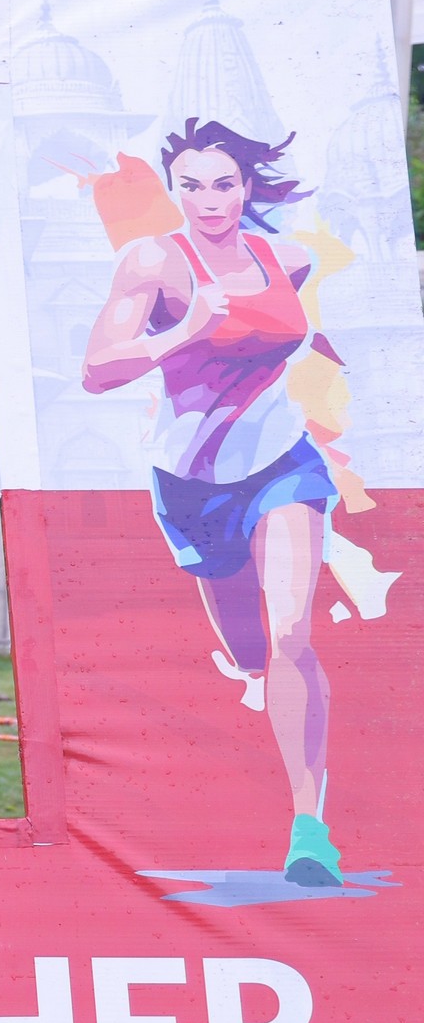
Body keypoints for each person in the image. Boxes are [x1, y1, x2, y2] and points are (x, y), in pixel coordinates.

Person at [82, 115, 341, 888]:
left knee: (292, 632)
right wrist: (186, 330)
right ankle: (252, 674)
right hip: (192, 480)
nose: (209, 200)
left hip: (281, 462)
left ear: (247, 186)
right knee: (251, 648)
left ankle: (309, 830)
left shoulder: (287, 259)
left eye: (224, 184)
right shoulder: (154, 262)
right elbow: (97, 369)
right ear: (174, 190)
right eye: (191, 186)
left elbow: (276, 342)